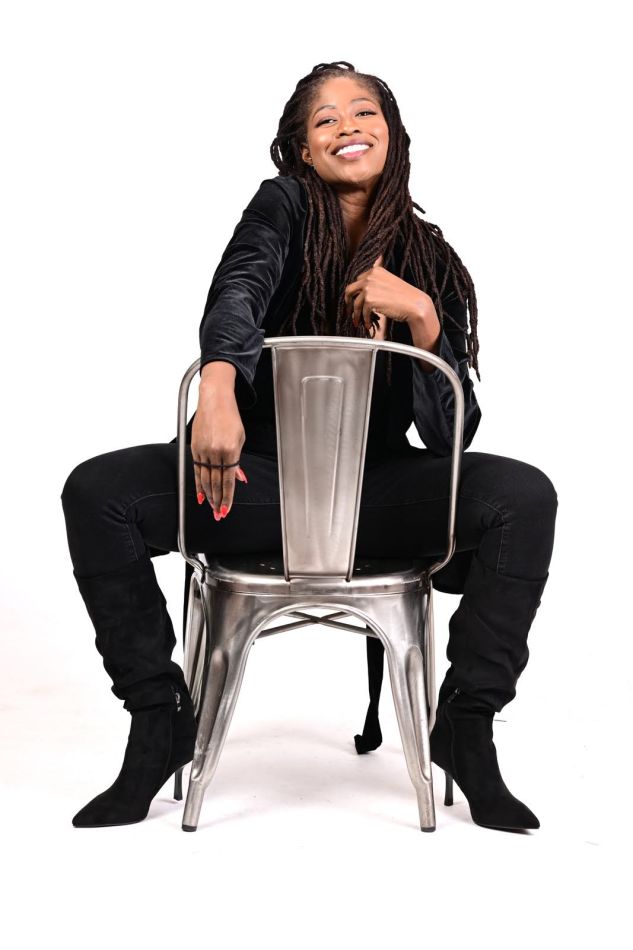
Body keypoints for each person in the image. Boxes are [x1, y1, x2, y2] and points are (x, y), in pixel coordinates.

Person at [61, 61, 558, 831]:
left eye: (364, 112)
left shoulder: (428, 261)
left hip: (374, 497)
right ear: (301, 150)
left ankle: (466, 722)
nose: (347, 126)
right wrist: (217, 389)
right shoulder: (283, 206)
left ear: (392, 135)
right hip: (247, 483)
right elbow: (239, 288)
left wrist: (423, 318)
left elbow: (448, 437)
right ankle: (159, 718)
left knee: (522, 496)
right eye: (324, 119)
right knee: (98, 491)